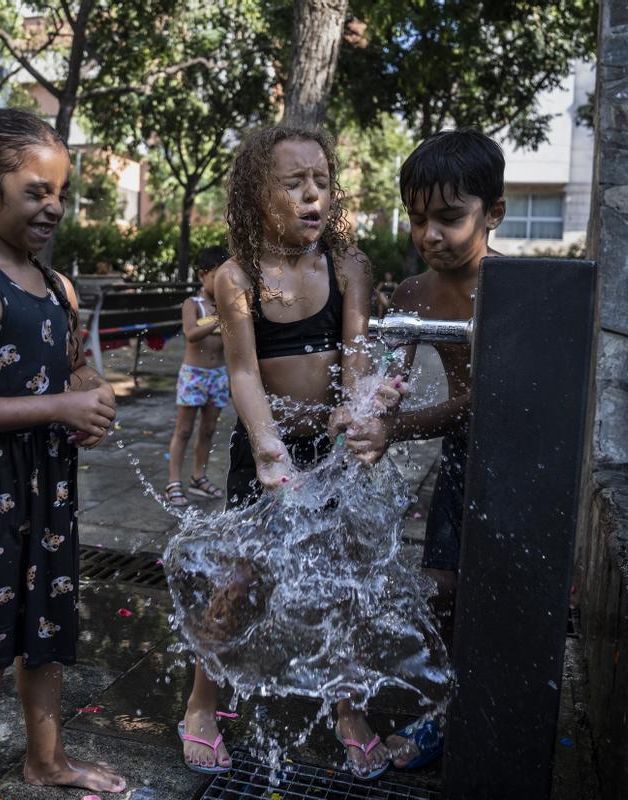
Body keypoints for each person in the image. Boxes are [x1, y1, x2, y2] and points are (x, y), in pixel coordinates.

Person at [179, 126, 403, 781]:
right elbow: (244, 373)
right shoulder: (236, 277)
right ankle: (200, 704)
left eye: (322, 182)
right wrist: (268, 448)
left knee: (346, 582)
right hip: (268, 451)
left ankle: (349, 711)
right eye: (293, 183)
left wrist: (362, 405)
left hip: (328, 448)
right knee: (242, 580)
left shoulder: (348, 267)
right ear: (257, 193)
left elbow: (356, 351)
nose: (313, 195)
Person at [0, 107, 125, 799]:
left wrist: (91, 398)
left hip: (48, 482)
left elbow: (72, 372)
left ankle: (47, 760)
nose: (54, 207)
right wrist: (57, 406)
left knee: (46, 625)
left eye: (61, 193)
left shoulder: (57, 287)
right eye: (37, 191)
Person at [343, 129, 507, 770]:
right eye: (417, 220)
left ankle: (492, 707)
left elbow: (489, 400)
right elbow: (388, 383)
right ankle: (444, 708)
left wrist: (398, 428)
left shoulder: (512, 288)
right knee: (441, 584)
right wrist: (363, 418)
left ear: (493, 213)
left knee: (500, 589)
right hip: (464, 453)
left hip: (518, 455)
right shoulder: (412, 296)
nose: (430, 235)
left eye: (449, 218)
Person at [165, 245, 231, 507]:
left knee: (209, 429)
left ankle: (198, 477)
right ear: (203, 274)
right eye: (219, 276)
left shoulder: (226, 306)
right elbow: (191, 333)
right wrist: (220, 319)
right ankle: (173, 481)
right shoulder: (193, 304)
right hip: (194, 375)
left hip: (218, 375)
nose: (225, 282)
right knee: (183, 430)